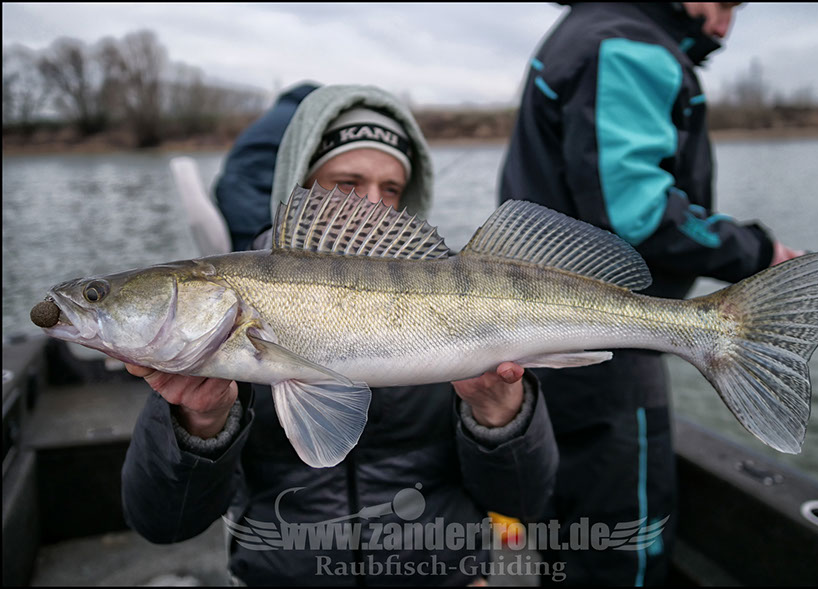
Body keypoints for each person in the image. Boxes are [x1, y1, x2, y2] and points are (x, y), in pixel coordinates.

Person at [121, 84, 560, 585]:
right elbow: (165, 522)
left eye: (391, 188)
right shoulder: (213, 325)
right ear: (301, 187)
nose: (371, 204)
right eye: (347, 183)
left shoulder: (469, 296)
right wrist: (198, 425)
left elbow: (524, 500)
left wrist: (501, 418)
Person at [498, 3, 803, 586]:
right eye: (724, 4)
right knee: (622, 551)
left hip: (540, 338)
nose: (724, 26)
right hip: (608, 354)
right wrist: (758, 251)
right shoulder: (625, 42)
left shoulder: (587, 29)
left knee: (567, 534)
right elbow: (634, 210)